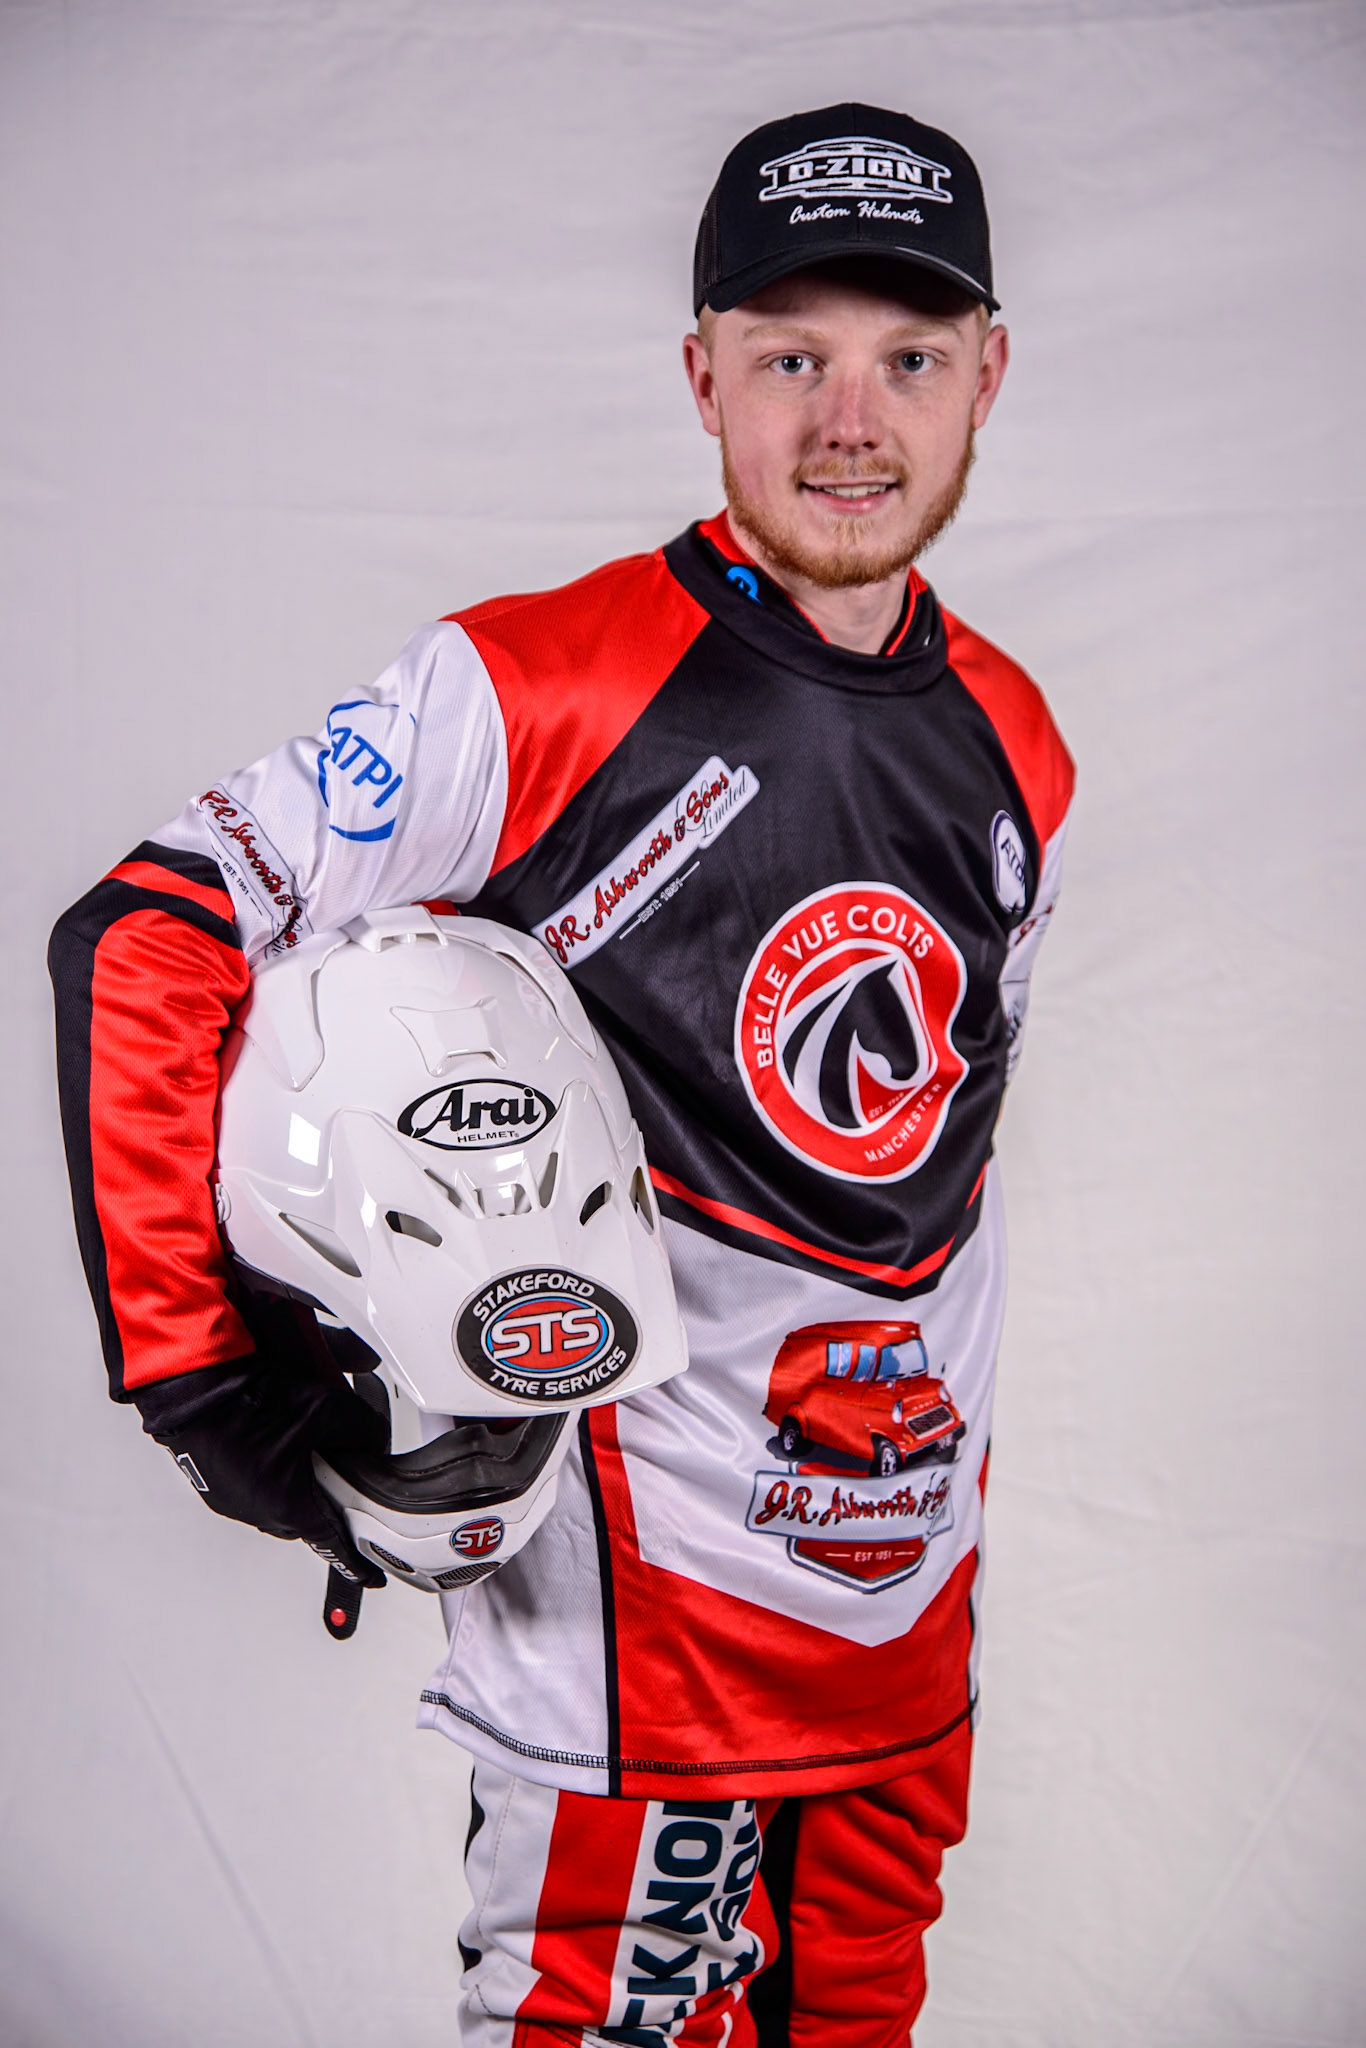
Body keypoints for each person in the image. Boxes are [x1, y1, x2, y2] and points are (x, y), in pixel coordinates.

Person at [49, 103, 1074, 2046]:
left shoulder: (1017, 732)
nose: (849, 419)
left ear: (985, 379)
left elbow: (925, 1186)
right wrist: (206, 1378)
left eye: (907, 359)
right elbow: (146, 932)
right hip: (640, 1633)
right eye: (791, 356)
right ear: (699, 372)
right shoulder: (532, 686)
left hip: (901, 1591)